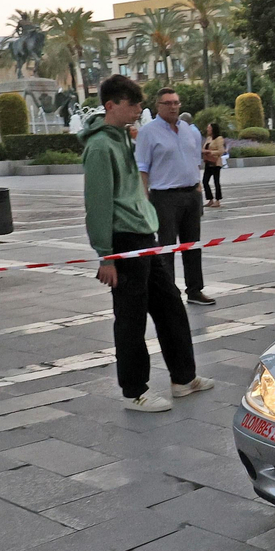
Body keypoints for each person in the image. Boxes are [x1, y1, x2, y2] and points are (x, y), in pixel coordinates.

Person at [80, 75, 210, 413]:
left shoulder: (124, 137)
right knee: (130, 318)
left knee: (170, 305)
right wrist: (105, 255)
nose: (140, 109)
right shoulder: (99, 147)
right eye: (132, 103)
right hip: (123, 240)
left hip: (143, 235)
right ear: (111, 105)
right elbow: (98, 202)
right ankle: (135, 390)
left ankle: (183, 377)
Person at [135, 87, 215, 307]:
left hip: (191, 194)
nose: (173, 107)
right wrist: (144, 200)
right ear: (158, 106)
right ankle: (168, 293)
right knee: (166, 247)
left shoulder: (190, 131)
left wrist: (198, 186)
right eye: (168, 103)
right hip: (164, 197)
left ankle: (195, 290)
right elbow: (142, 168)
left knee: (192, 245)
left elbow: (194, 160)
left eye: (176, 103)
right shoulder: (148, 133)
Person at [201, 123, 225, 208]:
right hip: (208, 162)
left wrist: (211, 152)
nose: (207, 129)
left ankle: (217, 200)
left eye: (209, 128)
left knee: (216, 181)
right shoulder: (208, 138)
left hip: (215, 163)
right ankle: (210, 199)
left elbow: (221, 151)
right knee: (205, 181)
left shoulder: (219, 139)